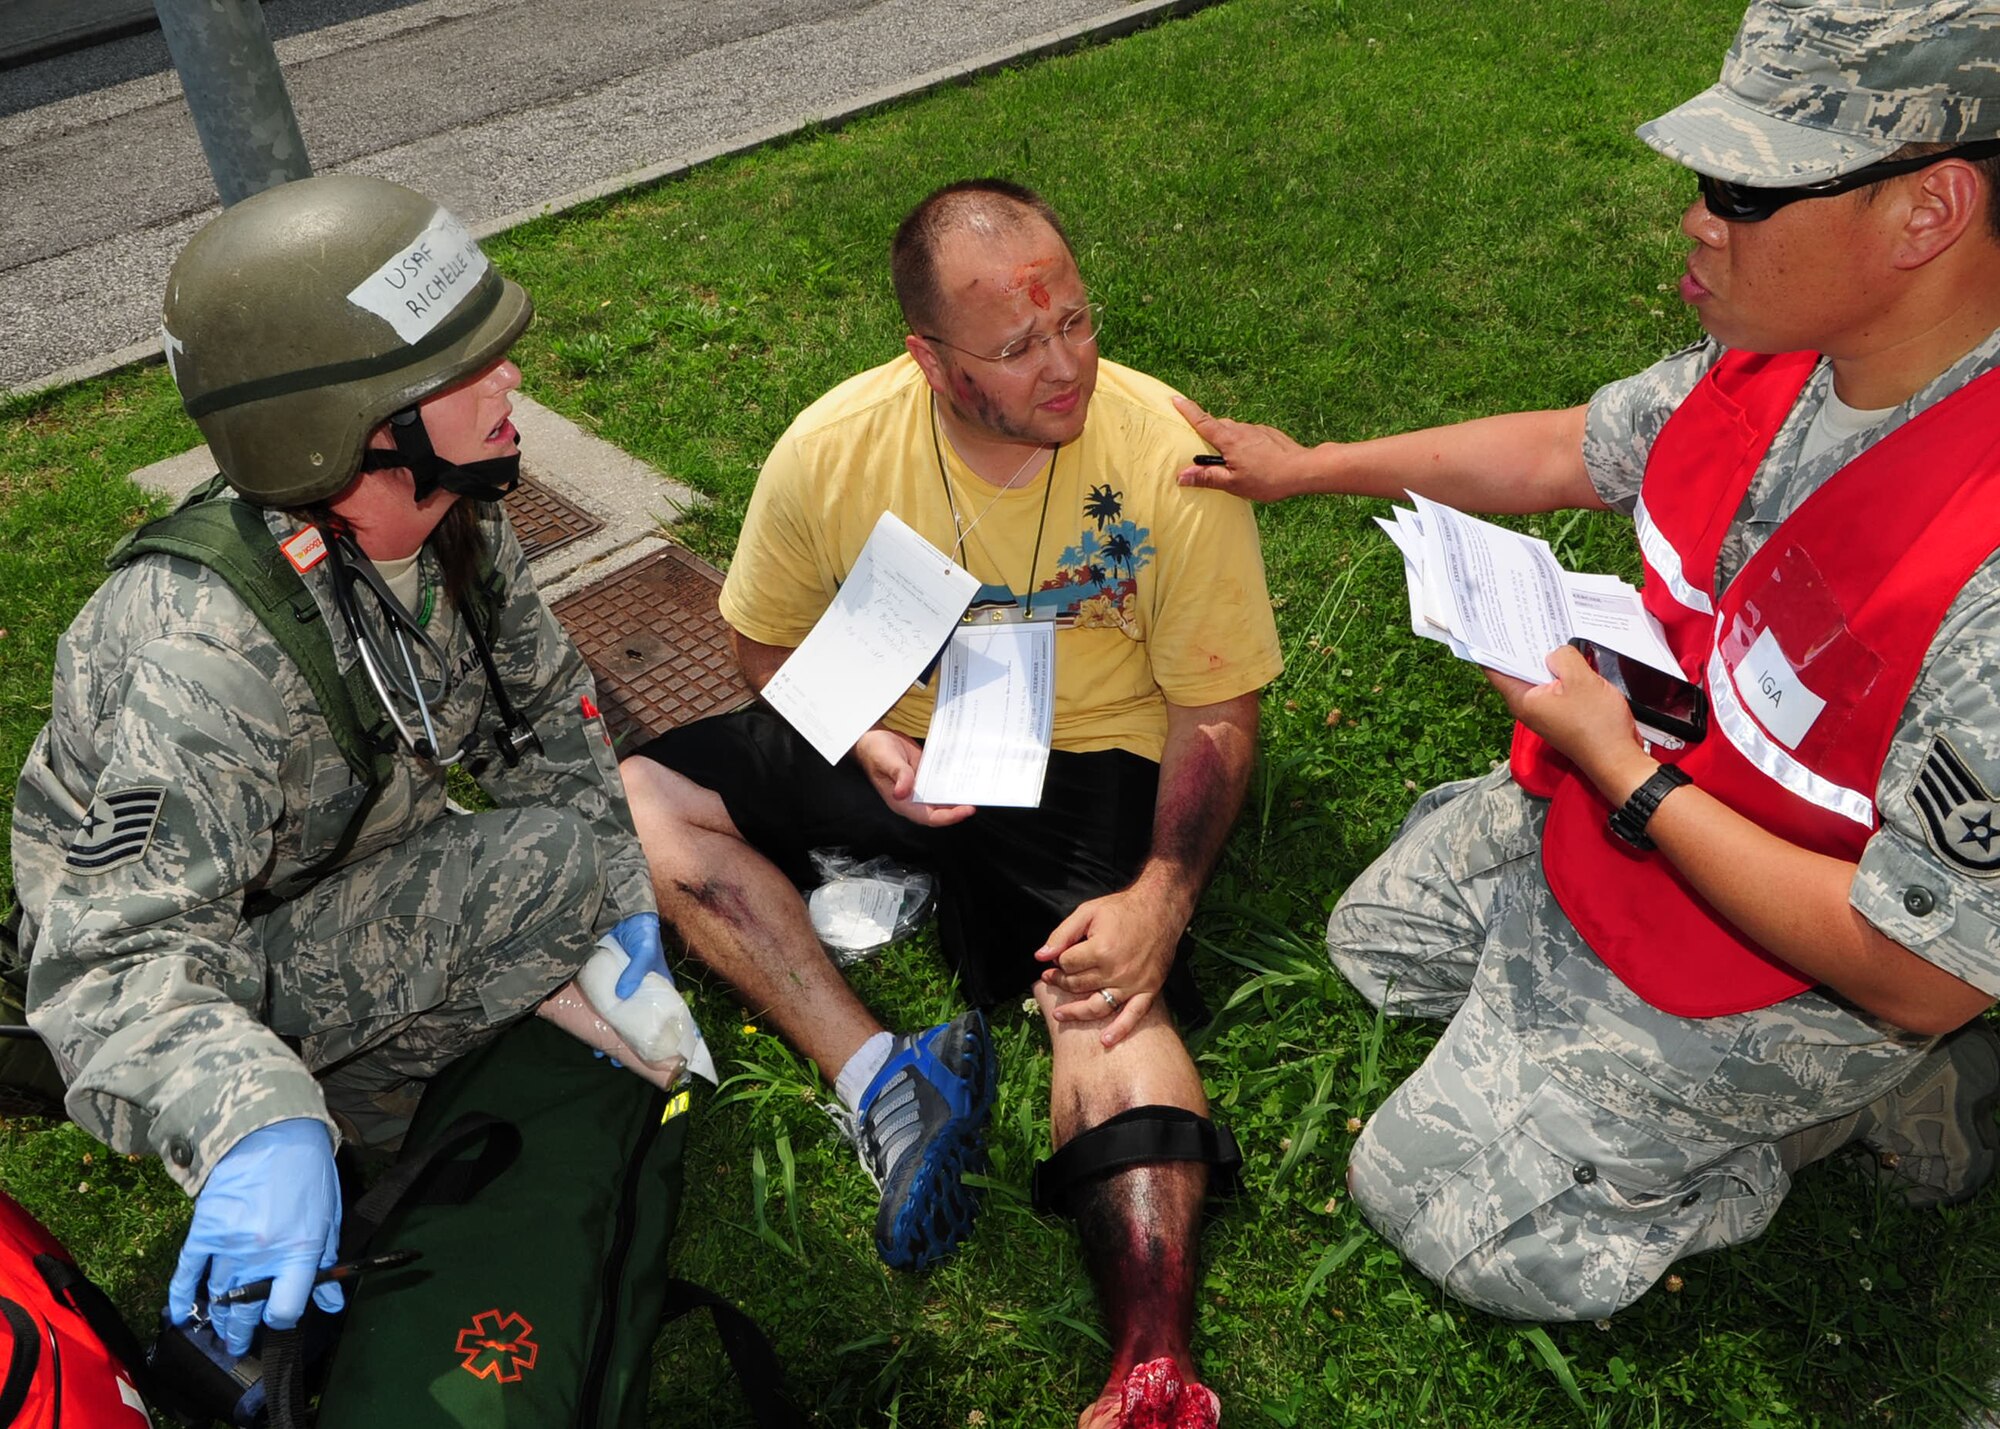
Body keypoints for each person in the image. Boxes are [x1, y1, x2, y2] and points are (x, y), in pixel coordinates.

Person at [1177, 0, 2000, 1322]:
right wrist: (1310, 470)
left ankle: (1856, 1103)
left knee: (1432, 1202)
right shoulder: (1797, 354)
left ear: (1928, 212)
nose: (1695, 218)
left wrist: (1618, 768)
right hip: (1664, 810)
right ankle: (1566, 1024)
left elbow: (1919, 965)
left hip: (1811, 957)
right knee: (1379, 945)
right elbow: (1576, 446)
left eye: (1746, 187)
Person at [619, 178, 1283, 1425]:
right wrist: (865, 736)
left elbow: (1215, 714)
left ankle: (1150, 1358)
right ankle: (880, 1074)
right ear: (926, 357)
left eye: (1075, 321)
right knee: (643, 798)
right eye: (1018, 343)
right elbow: (760, 650)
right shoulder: (832, 448)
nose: (1065, 364)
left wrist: (1160, 894)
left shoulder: (1161, 452)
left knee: (1098, 990)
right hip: (900, 735)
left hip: (1088, 754)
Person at [9, 174, 672, 1358]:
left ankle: (371, 1099)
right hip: (184, 954)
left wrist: (621, 910)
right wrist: (255, 1121)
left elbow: (544, 723)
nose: (510, 377)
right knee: (529, 881)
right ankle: (330, 1132)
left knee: (564, 865)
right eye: (463, 370)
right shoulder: (203, 654)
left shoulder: (451, 513)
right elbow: (112, 960)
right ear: (350, 422)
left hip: (331, 862)